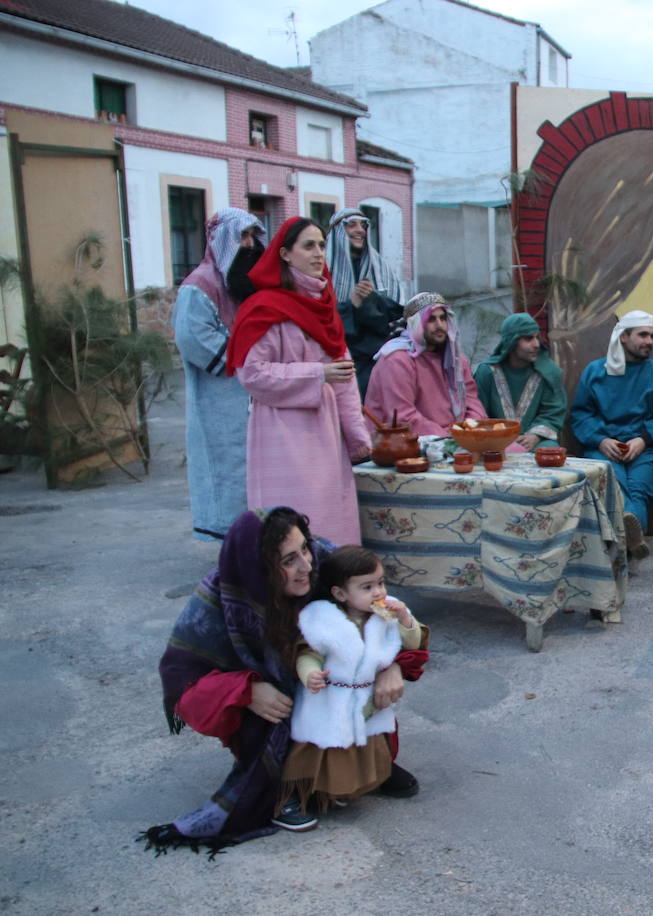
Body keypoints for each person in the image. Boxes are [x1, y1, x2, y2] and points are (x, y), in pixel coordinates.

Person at [141, 509, 427, 852]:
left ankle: (371, 768)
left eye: (304, 549)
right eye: (288, 560)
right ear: (259, 565)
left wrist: (390, 666)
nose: (307, 566)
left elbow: (382, 610)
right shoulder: (226, 593)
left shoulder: (328, 564)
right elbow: (182, 680)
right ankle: (286, 787)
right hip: (284, 697)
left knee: (365, 707)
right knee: (280, 708)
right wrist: (245, 691)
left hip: (345, 686)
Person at [226, 217, 372, 545]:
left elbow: (345, 378)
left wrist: (359, 441)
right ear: (286, 255)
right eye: (308, 245)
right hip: (281, 433)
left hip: (325, 431)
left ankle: (332, 589)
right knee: (292, 523)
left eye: (321, 245)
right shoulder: (263, 307)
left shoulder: (325, 307)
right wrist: (316, 373)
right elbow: (251, 374)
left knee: (330, 518)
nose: (319, 253)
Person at [280, 545, 427, 824]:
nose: (379, 592)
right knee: (323, 750)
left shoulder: (387, 615)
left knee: (366, 745)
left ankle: (359, 785)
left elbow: (413, 643)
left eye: (381, 583)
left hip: (368, 698)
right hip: (331, 697)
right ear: (340, 593)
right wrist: (309, 674)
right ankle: (303, 793)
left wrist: (405, 619)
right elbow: (308, 653)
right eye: (367, 587)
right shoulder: (324, 620)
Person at [171, 208, 265, 540]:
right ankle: (228, 542)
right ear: (221, 239)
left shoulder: (242, 286)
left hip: (252, 398)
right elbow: (192, 337)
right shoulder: (199, 285)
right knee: (223, 472)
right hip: (217, 401)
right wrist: (246, 358)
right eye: (242, 236)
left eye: (253, 237)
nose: (250, 245)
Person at [569, 310, 653, 559]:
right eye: (642, 335)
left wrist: (643, 440)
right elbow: (581, 415)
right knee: (615, 483)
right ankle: (631, 538)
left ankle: (622, 541)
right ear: (623, 337)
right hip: (604, 447)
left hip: (644, 448)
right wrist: (601, 440)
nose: (650, 342)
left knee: (639, 485)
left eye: (652, 336)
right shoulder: (595, 372)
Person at [364, 293, 485, 438]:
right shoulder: (396, 360)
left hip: (457, 437)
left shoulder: (456, 360)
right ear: (416, 323)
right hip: (409, 442)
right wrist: (448, 437)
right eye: (431, 319)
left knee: (513, 450)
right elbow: (403, 418)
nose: (439, 325)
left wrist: (471, 427)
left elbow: (471, 401)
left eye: (443, 318)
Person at [326, 209, 405, 395]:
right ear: (338, 231)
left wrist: (372, 301)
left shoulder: (381, 268)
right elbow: (316, 319)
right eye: (351, 225)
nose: (360, 230)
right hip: (337, 362)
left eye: (363, 225)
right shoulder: (322, 270)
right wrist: (350, 305)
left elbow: (398, 316)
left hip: (375, 362)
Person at [473, 312, 567, 451]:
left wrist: (535, 436)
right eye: (528, 339)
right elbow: (479, 413)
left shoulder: (548, 372)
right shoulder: (487, 372)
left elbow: (553, 411)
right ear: (511, 341)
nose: (536, 344)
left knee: (549, 452)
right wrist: (500, 437)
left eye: (537, 338)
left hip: (535, 441)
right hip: (495, 440)